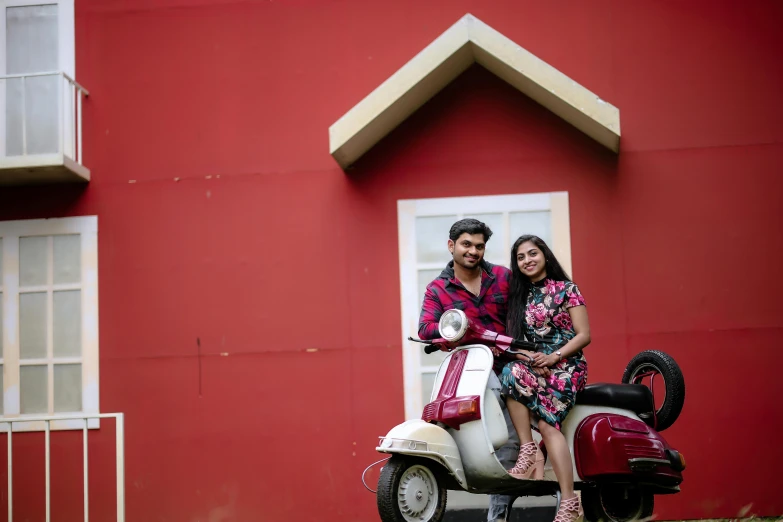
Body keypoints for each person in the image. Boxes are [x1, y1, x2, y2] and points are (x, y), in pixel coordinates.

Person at [417, 218, 517, 522]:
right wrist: (453, 329)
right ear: (452, 246)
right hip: (472, 370)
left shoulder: (503, 277)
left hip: (512, 364)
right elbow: (425, 328)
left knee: (514, 440)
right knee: (502, 440)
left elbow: (526, 312)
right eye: (466, 244)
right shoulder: (437, 288)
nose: (473, 251)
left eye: (479, 246)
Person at [500, 235, 591, 522]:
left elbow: (584, 335)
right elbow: (518, 344)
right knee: (510, 373)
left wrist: (554, 357)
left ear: (545, 255)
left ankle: (569, 502)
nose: (527, 260)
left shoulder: (567, 289)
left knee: (547, 424)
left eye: (532, 253)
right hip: (537, 364)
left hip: (568, 366)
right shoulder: (518, 297)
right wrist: (531, 360)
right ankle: (529, 451)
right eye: (521, 257)